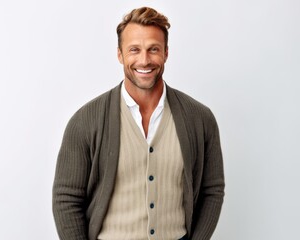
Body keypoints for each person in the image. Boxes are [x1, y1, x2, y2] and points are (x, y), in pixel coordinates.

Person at [52, 6, 225, 240]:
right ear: (120, 54)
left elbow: (212, 190)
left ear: (166, 53)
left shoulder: (199, 118)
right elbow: (66, 199)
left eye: (153, 49)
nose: (144, 60)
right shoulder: (85, 121)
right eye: (134, 50)